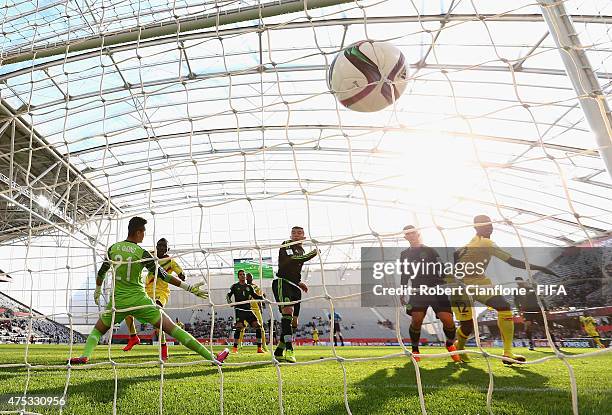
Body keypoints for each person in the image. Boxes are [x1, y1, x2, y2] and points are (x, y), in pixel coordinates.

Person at [69, 217, 229, 364]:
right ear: (138, 232)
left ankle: (85, 356)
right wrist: (189, 288)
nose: (144, 236)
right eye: (143, 232)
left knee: (97, 331)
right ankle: (212, 358)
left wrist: (98, 289)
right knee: (173, 329)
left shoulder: (113, 248)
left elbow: (102, 272)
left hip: (117, 302)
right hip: (140, 300)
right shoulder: (142, 253)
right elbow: (165, 276)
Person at [451, 215, 559, 365]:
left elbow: (455, 263)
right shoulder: (485, 243)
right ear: (476, 227)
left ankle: (507, 353)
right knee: (467, 326)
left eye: (491, 224)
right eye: (485, 225)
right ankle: (459, 348)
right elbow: (512, 262)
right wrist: (541, 268)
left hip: (480, 283)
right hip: (461, 288)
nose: (490, 227)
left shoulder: (462, 248)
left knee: (504, 308)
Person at [400, 225, 460, 362]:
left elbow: (441, 267)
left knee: (447, 320)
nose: (411, 235)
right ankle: (415, 350)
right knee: (416, 321)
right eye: (408, 234)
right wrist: (402, 292)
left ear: (418, 233)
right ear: (405, 237)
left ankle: (450, 345)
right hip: (418, 291)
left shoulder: (430, 250)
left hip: (436, 289)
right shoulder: (404, 254)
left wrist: (450, 280)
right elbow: (404, 274)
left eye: (413, 233)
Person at [122, 238, 186, 361]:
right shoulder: (150, 255)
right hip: (146, 291)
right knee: (127, 309)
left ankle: (163, 347)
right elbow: (137, 255)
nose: (161, 248)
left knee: (157, 316)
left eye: (164, 246)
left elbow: (181, 272)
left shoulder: (171, 262)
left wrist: (182, 275)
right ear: (156, 247)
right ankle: (133, 336)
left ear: (168, 249)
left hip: (161, 293)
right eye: (159, 245)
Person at [272, 226, 318, 363]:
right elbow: (293, 260)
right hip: (282, 283)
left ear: (304, 236)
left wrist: (299, 282)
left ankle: (279, 351)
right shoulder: (287, 244)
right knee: (287, 311)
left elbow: (294, 267)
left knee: (293, 322)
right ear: (291, 235)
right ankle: (290, 350)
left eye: (299, 233)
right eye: (294, 233)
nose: (296, 235)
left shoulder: (302, 249)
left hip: (294, 286)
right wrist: (314, 253)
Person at [514, 277, 558, 351]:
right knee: (527, 326)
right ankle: (531, 344)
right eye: (517, 282)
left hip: (536, 309)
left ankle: (554, 344)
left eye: (520, 282)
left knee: (544, 328)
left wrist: (546, 309)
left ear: (522, 281)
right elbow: (516, 301)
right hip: (526, 311)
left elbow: (540, 298)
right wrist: (519, 310)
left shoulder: (531, 288)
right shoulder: (516, 291)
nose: (518, 283)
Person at [227, 270, 264, 353]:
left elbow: (255, 296)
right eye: (240, 275)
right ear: (238, 276)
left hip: (248, 310)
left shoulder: (249, 287)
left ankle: (259, 348)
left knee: (258, 326)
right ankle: (235, 348)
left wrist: (262, 298)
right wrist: (230, 302)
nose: (242, 276)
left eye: (243, 274)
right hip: (239, 310)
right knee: (239, 327)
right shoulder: (234, 286)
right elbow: (228, 295)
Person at [238, 273, 268, 352]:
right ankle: (239, 344)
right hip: (246, 308)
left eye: (250, 277)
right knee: (241, 327)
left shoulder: (256, 287)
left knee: (261, 327)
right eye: (248, 277)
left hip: (256, 309)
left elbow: (261, 296)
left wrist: (261, 306)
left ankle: (263, 345)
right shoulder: (242, 287)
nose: (249, 278)